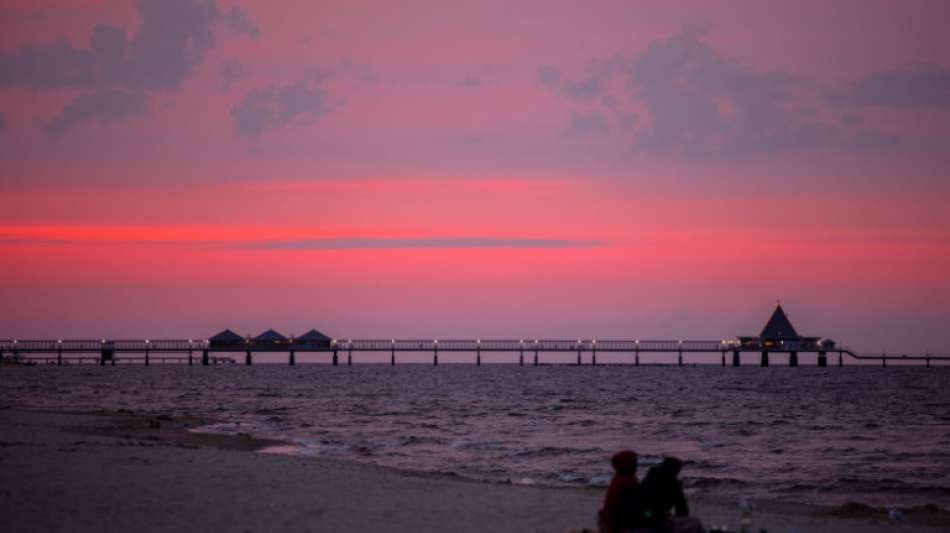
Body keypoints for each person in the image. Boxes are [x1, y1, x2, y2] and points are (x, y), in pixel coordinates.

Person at [636, 457, 703, 533]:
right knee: (695, 523)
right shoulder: (673, 484)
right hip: (655, 520)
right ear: (675, 470)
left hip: (641, 517)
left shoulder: (648, 479)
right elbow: (682, 509)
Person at [598, 450, 640, 533]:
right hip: (620, 523)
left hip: (614, 520)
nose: (636, 465)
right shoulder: (627, 481)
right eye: (634, 462)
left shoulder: (618, 479)